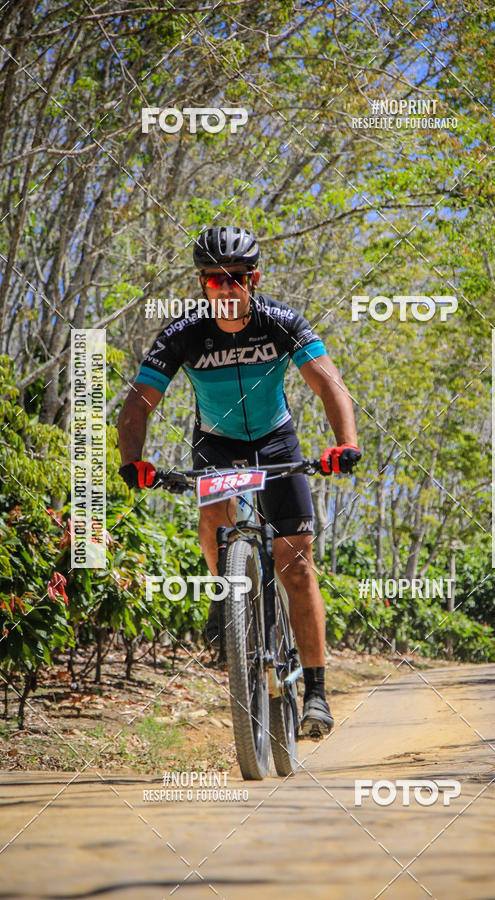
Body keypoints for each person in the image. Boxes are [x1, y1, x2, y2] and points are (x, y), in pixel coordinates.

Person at [117, 225, 362, 738]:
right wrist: (132, 460)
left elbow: (328, 383)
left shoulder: (281, 322)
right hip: (217, 444)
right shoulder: (183, 332)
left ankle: (316, 690)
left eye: (236, 279)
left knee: (297, 564)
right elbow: (139, 401)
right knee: (213, 519)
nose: (226, 289)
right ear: (202, 285)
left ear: (254, 279)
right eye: (213, 281)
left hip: (275, 442)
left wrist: (344, 442)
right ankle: (226, 589)